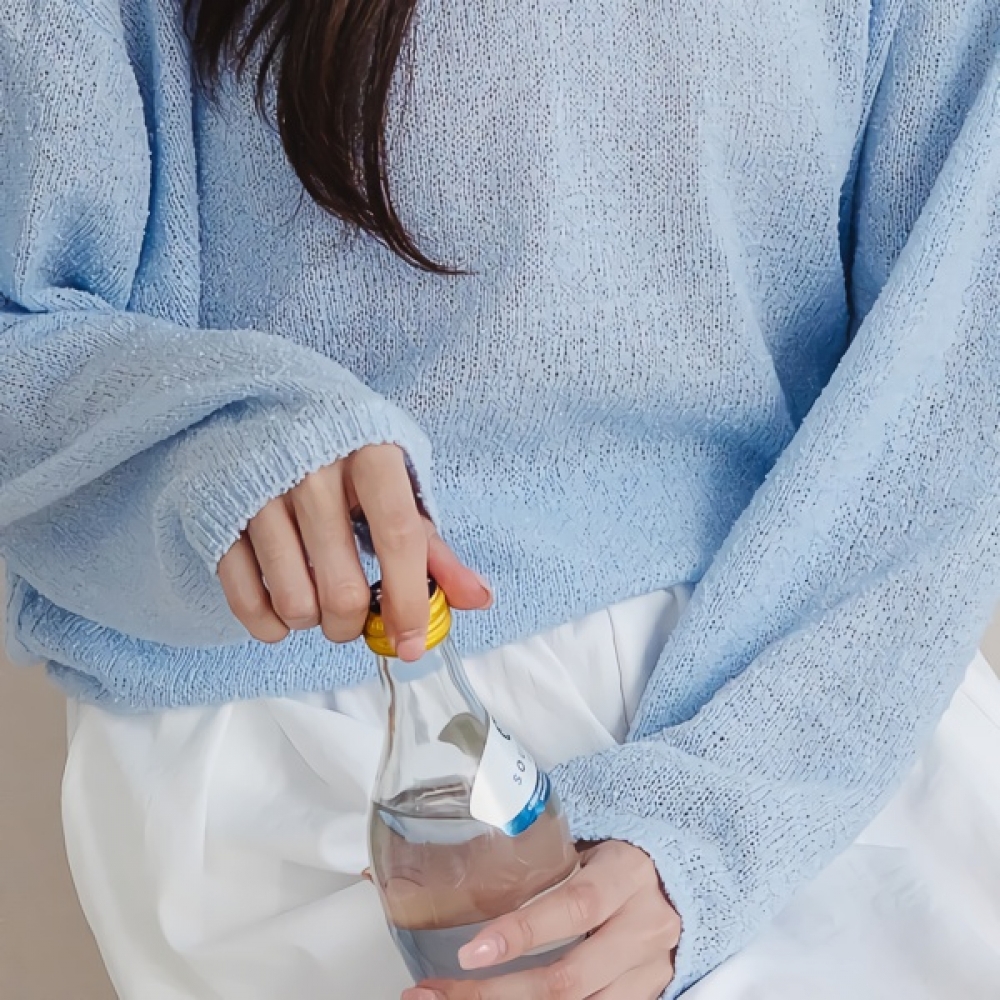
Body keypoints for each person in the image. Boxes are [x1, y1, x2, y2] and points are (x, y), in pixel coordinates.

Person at [1, 1, 998, 998]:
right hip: (334, 771)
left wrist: (718, 816)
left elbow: (956, 381)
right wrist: (215, 434)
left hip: (827, 710)